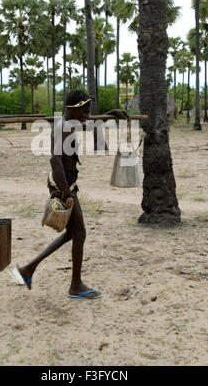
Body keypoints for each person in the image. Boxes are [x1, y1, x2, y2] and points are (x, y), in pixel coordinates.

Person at [16, 90, 130, 299]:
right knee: (80, 234)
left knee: (72, 233)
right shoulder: (62, 129)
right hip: (62, 186)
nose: (88, 113)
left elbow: (91, 124)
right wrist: (66, 192)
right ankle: (75, 285)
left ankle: (29, 268)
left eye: (89, 109)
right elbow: (55, 161)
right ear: (73, 109)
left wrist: (110, 114)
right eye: (85, 109)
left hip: (67, 184)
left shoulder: (71, 124)